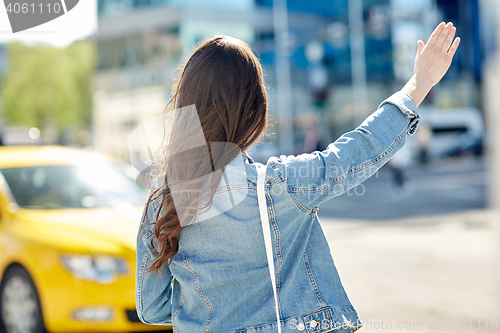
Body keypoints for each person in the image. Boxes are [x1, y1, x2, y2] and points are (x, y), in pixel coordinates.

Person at [136, 22, 460, 333]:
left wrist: (210, 307)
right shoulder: (279, 185)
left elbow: (151, 309)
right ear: (254, 107)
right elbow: (357, 151)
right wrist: (420, 82)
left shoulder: (163, 201)